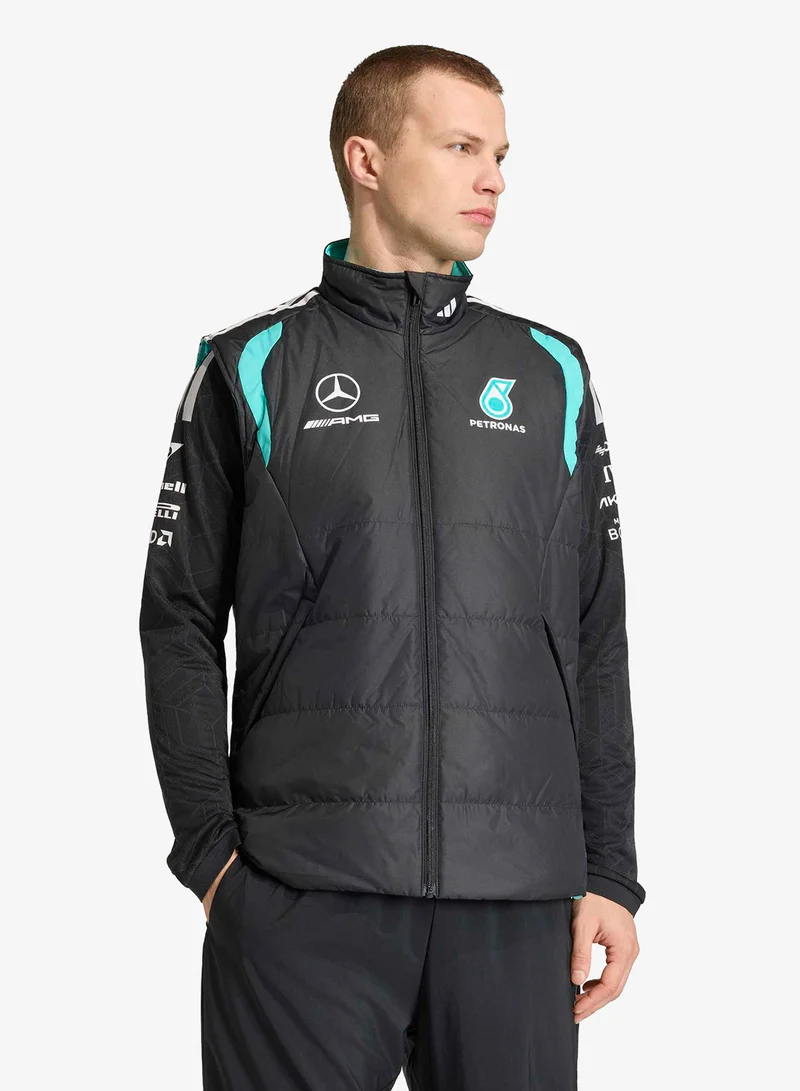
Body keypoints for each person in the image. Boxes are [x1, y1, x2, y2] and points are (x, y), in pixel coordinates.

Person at [139, 42, 645, 1091]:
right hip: (302, 894)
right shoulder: (250, 366)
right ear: (365, 159)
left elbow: (596, 626)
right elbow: (177, 617)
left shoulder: (550, 371)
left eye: (500, 154)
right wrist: (212, 859)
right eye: (461, 147)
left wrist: (608, 869)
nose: (492, 178)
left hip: (516, 904)